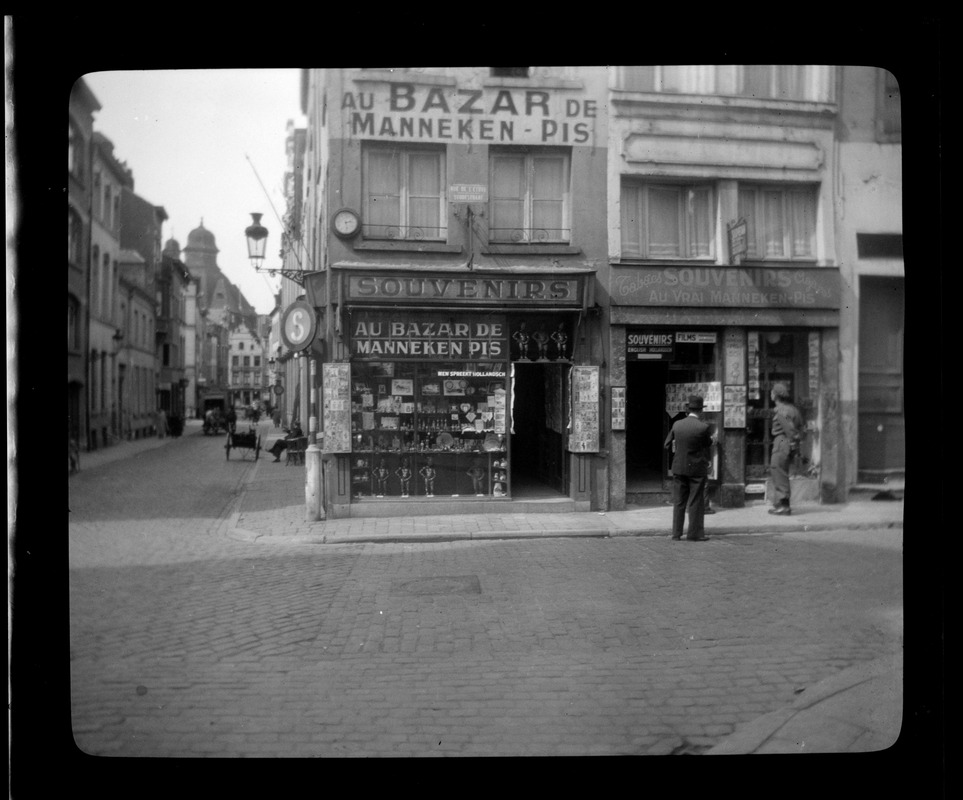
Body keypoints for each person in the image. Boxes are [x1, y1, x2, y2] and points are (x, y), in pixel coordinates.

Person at [663, 395, 713, 541]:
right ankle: (694, 534)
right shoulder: (703, 427)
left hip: (679, 467)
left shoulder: (677, 425)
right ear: (701, 411)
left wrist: (679, 450)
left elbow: (667, 445)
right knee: (695, 501)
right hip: (696, 469)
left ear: (687, 410)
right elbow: (707, 444)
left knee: (679, 501)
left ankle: (676, 533)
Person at [768, 382, 804, 516]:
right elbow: (801, 427)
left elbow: (789, 429)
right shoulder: (793, 409)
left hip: (782, 440)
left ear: (776, 395)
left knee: (778, 470)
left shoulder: (781, 410)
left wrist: (791, 441)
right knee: (781, 471)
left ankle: (784, 505)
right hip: (788, 441)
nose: (770, 394)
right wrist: (796, 444)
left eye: (772, 392)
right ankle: (781, 503)